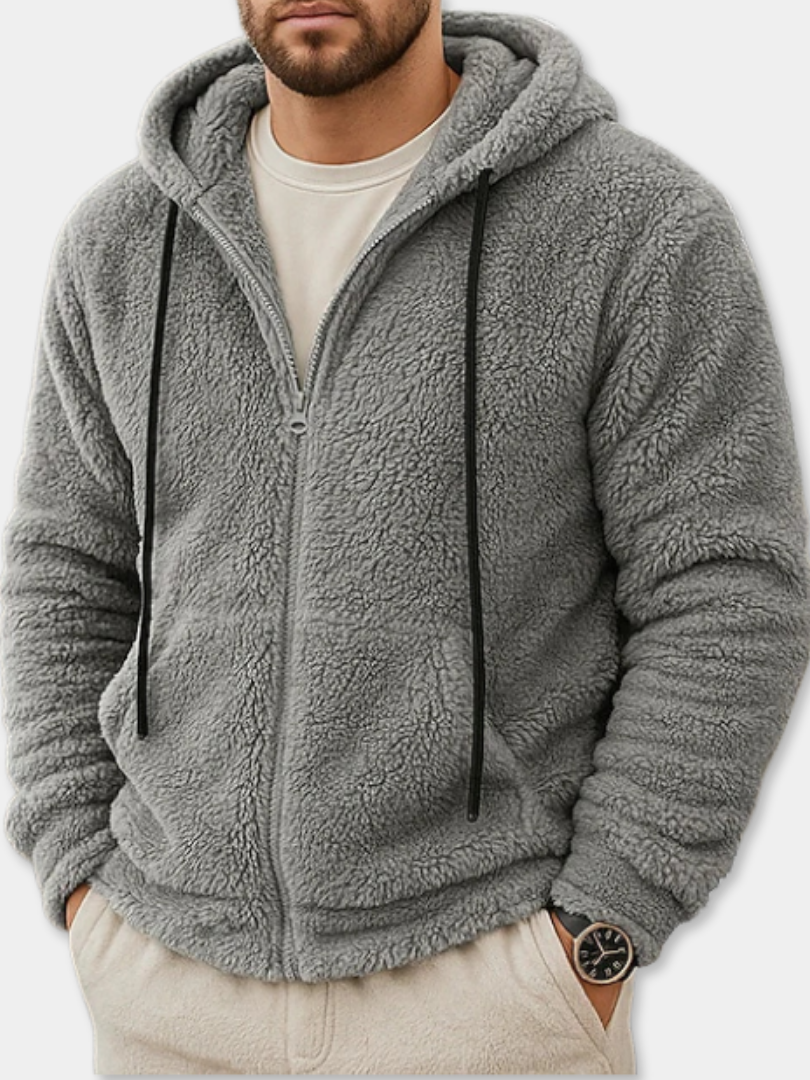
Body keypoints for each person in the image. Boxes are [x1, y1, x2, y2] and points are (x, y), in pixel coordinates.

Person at [2, 1, 809, 1074]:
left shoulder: (631, 224)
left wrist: (605, 921)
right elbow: (65, 567)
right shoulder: (122, 240)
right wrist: (75, 863)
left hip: (487, 994)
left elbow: (726, 585)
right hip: (166, 990)